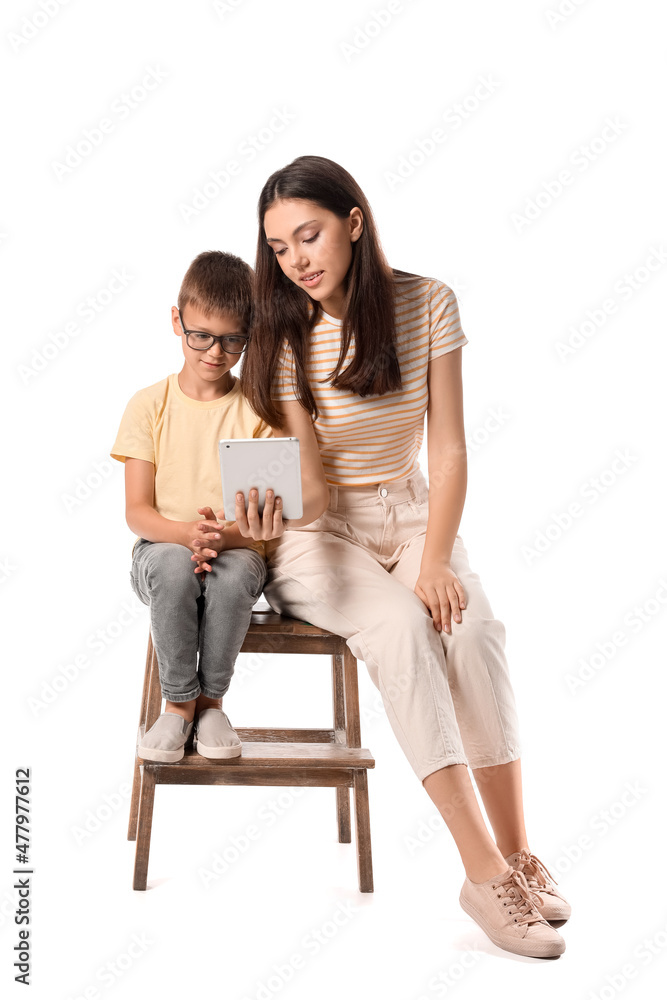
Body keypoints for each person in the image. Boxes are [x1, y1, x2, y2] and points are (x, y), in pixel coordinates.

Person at [239, 156, 571, 960]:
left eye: (309, 235)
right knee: (402, 634)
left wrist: (433, 558)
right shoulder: (283, 332)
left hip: (415, 509)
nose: (297, 261)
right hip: (323, 535)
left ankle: (520, 853)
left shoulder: (428, 304)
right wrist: (270, 512)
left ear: (354, 221)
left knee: (473, 630)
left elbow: (450, 446)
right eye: (279, 248)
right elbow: (314, 489)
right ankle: (483, 876)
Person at [111, 251, 283, 763]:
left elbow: (261, 523)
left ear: (248, 337)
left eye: (232, 340)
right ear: (176, 321)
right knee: (170, 564)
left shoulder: (257, 410)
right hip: (162, 548)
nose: (215, 352)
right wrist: (186, 534)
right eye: (201, 335)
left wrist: (219, 539)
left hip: (236, 550)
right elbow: (137, 511)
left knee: (231, 577)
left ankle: (212, 705)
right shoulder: (149, 405)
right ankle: (179, 705)